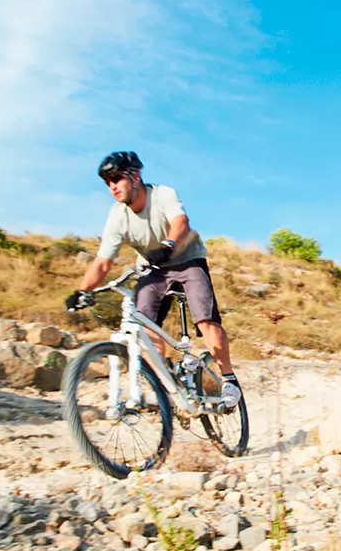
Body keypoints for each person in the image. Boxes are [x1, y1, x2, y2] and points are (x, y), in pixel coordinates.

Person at [65, 151, 242, 409]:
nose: (112, 186)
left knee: (205, 320)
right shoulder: (117, 216)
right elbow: (103, 262)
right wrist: (82, 291)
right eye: (107, 182)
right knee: (144, 327)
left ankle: (229, 379)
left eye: (117, 178)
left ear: (135, 177)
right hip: (153, 269)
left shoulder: (162, 194)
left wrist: (169, 244)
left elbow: (180, 222)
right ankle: (164, 389)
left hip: (187, 259)